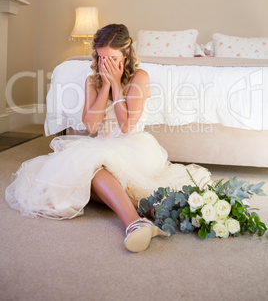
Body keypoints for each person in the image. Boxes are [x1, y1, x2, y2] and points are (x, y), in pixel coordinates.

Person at [5, 24, 212, 253]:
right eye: (102, 58)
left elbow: (126, 127)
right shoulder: (91, 81)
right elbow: (91, 125)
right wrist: (104, 85)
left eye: (112, 58)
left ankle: (132, 222)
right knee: (81, 176)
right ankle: (143, 212)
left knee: (87, 173)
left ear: (126, 53)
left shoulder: (139, 77)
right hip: (101, 145)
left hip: (133, 148)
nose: (106, 64)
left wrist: (116, 85)